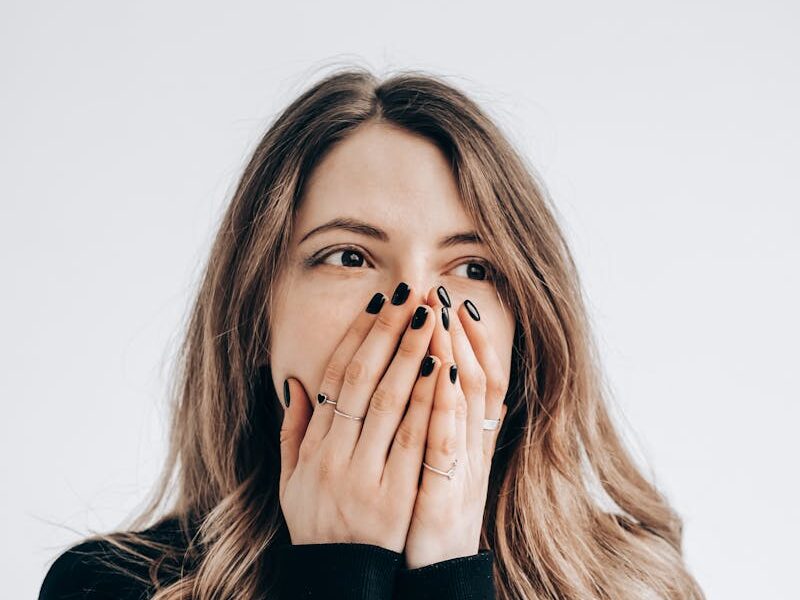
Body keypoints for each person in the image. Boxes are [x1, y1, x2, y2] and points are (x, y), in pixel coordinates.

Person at [39, 67, 705, 599]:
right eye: (349, 256)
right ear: (256, 313)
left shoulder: (634, 586)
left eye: (472, 268)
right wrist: (338, 570)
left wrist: (448, 566)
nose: (418, 309)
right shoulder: (108, 586)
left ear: (526, 325)